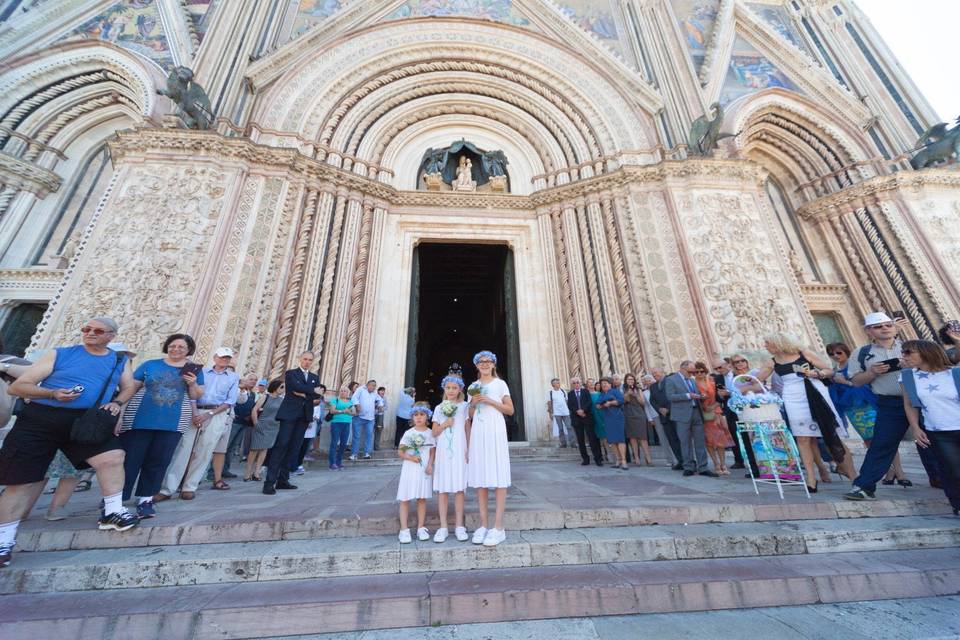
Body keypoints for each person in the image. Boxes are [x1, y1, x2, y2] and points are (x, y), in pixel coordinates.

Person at [0, 317, 139, 567]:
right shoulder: (60, 354)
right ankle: (3, 539)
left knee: (112, 457)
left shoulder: (119, 360)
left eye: (98, 331)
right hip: (41, 419)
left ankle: (113, 511)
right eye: (86, 329)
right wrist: (52, 393)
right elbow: (18, 387)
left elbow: (129, 386)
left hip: (85, 420)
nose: (90, 333)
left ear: (111, 336)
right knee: (21, 480)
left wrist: (117, 403)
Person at [844, 312, 940, 501]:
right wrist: (872, 372)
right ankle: (864, 486)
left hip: (922, 400)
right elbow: (855, 381)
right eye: (879, 326)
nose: (885, 328)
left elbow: (936, 367)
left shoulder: (912, 347)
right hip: (890, 403)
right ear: (869, 331)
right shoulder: (861, 353)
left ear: (895, 327)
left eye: (888, 324)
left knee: (935, 440)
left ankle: (941, 479)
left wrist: (912, 366)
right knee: (882, 444)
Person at [118, 334, 204, 519]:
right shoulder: (151, 364)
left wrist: (193, 383)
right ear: (167, 346)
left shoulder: (193, 370)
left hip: (172, 421)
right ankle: (116, 498)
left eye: (181, 347)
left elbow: (196, 395)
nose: (176, 349)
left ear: (189, 349)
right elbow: (131, 387)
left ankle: (145, 500)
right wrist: (119, 408)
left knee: (158, 462)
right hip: (140, 418)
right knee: (131, 460)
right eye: (173, 345)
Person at [756, 334, 856, 492]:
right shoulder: (772, 361)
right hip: (792, 396)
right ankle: (811, 478)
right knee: (803, 437)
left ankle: (853, 476)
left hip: (815, 391)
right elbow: (757, 381)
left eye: (768, 343)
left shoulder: (803, 353)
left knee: (831, 434)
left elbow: (828, 370)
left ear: (779, 343)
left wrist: (817, 374)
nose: (765, 346)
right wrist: (738, 387)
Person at [157, 347, 238, 500]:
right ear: (215, 357)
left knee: (205, 451)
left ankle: (190, 486)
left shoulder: (233, 377)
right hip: (195, 411)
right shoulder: (202, 372)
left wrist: (210, 414)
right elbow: (191, 392)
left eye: (227, 358)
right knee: (184, 449)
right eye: (221, 357)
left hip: (216, 414)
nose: (224, 360)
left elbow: (230, 401)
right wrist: (195, 412)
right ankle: (168, 488)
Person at [828, 342, 909, 486]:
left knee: (884, 438)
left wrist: (845, 382)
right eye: (832, 354)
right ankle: (888, 471)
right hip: (852, 410)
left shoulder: (854, 365)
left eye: (838, 352)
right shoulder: (835, 370)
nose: (835, 356)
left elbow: (861, 383)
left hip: (867, 405)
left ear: (846, 352)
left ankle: (899, 471)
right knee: (869, 441)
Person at [899, 340, 960, 515]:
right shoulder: (907, 376)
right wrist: (915, 428)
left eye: (909, 352)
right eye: (903, 352)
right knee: (953, 469)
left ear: (926, 352)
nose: (904, 356)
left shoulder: (954, 373)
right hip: (938, 430)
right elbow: (909, 404)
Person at [466, 350, 513, 547]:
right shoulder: (473, 386)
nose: (484, 364)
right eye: (481, 362)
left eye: (488, 361)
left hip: (495, 430)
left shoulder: (500, 384)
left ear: (494, 364)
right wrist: (474, 404)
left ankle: (498, 527)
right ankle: (484, 525)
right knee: (481, 478)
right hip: (479, 431)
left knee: (499, 476)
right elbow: (469, 415)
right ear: (476, 366)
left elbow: (510, 410)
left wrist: (491, 401)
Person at [264, 351, 322, 494]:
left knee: (294, 448)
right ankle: (269, 482)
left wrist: (306, 393)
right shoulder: (291, 373)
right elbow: (295, 387)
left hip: (304, 416)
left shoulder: (314, 377)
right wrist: (309, 392)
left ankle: (283, 480)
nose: (307, 362)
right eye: (305, 359)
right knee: (281, 445)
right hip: (289, 415)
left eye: (310, 360)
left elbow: (317, 393)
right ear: (300, 359)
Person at [431, 375, 470, 542]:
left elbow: (468, 428)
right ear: (444, 389)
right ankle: (443, 526)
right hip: (443, 452)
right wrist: (445, 424)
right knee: (443, 489)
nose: (451, 391)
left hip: (460, 448)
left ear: (460, 389)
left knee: (460, 489)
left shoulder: (464, 407)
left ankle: (460, 525)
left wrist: (469, 449)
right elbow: (434, 432)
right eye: (448, 388)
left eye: (454, 388)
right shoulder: (439, 408)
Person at [665, 360, 717, 477]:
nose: (693, 374)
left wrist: (701, 396)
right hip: (682, 415)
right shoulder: (671, 380)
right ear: (682, 369)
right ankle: (688, 466)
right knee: (685, 442)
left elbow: (696, 393)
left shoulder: (692, 381)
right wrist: (688, 396)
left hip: (696, 413)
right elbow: (670, 396)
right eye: (691, 372)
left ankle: (703, 467)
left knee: (700, 441)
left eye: (694, 372)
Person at [397, 403, 436, 543]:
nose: (419, 418)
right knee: (405, 498)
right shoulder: (409, 433)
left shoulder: (430, 433)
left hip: (423, 468)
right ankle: (404, 529)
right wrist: (411, 457)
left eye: (422, 415)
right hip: (410, 467)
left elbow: (432, 451)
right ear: (412, 417)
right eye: (416, 415)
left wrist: (430, 465)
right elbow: (401, 451)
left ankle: (421, 527)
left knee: (421, 498)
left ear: (427, 417)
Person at [695, 362, 733, 475]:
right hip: (703, 415)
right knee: (709, 442)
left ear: (705, 371)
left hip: (716, 413)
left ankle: (723, 464)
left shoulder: (712, 382)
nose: (699, 374)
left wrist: (713, 406)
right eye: (696, 372)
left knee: (720, 440)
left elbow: (719, 398)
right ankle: (716, 464)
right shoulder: (693, 384)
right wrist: (703, 406)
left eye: (701, 371)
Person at [219, 373, 258, 479]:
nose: (253, 381)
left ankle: (225, 469)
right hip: (234, 421)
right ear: (244, 380)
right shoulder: (237, 390)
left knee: (232, 447)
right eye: (251, 379)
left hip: (244, 423)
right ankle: (213, 472)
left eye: (255, 380)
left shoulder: (253, 394)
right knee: (224, 446)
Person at [246, 380, 284, 481]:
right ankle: (248, 472)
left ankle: (257, 472)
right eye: (281, 387)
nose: (283, 389)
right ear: (275, 387)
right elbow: (254, 409)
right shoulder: (265, 397)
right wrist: (256, 423)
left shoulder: (282, 400)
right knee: (254, 449)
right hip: (262, 425)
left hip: (274, 427)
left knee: (264, 449)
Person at [712, 358, 745, 470]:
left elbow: (745, 390)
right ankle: (738, 460)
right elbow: (717, 397)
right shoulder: (718, 379)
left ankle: (754, 459)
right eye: (716, 369)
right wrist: (721, 395)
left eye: (720, 367)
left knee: (747, 435)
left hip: (744, 408)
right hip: (729, 410)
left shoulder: (738, 374)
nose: (718, 370)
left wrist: (730, 393)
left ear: (727, 365)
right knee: (733, 435)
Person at [649, 368, 683, 469]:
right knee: (672, 439)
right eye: (653, 374)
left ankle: (688, 461)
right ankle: (680, 461)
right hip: (663, 416)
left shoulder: (671, 381)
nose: (655, 375)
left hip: (675, 413)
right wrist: (659, 409)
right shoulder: (653, 386)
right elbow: (652, 400)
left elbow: (675, 395)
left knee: (681, 438)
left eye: (656, 372)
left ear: (662, 372)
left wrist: (668, 408)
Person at [567, 376, 603, 466]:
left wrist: (583, 410)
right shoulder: (570, 394)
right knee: (580, 440)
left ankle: (598, 459)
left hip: (587, 417)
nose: (576, 384)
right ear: (572, 385)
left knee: (592, 439)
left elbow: (589, 402)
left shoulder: (585, 392)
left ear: (580, 383)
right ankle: (585, 459)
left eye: (577, 382)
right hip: (576, 419)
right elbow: (570, 405)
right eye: (574, 383)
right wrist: (577, 411)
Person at [596, 377, 627, 469]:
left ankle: (624, 460)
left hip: (617, 417)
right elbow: (597, 405)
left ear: (610, 384)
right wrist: (601, 405)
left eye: (606, 383)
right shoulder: (601, 394)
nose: (604, 385)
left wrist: (611, 403)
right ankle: (617, 460)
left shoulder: (615, 391)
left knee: (620, 439)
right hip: (607, 418)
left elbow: (622, 400)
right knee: (612, 440)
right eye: (603, 383)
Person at [622, 373, 652, 466]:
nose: (630, 381)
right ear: (626, 381)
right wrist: (628, 394)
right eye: (628, 379)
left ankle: (648, 458)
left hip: (639, 414)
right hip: (629, 414)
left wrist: (635, 395)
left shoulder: (638, 389)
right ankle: (637, 458)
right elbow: (624, 401)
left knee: (643, 437)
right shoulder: (623, 390)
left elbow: (643, 402)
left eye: (632, 379)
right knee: (632, 438)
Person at [349, 379, 378, 461]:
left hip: (370, 418)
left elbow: (379, 400)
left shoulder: (375, 393)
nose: (373, 387)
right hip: (359, 417)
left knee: (369, 436)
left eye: (374, 385)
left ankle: (367, 453)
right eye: (372, 385)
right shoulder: (361, 389)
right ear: (367, 385)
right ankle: (354, 454)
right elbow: (354, 398)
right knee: (356, 436)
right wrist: (357, 404)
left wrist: (380, 405)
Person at [327, 385, 354, 470]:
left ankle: (339, 462)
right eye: (342, 390)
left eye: (345, 391)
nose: (343, 392)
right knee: (334, 443)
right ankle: (332, 463)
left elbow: (353, 413)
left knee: (343, 444)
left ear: (348, 393)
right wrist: (343, 411)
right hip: (336, 423)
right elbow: (332, 410)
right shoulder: (335, 400)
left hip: (347, 423)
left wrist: (350, 412)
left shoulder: (350, 402)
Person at [588, 378, 610, 462]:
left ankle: (608, 454)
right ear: (587, 385)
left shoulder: (600, 394)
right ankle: (599, 455)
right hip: (592, 417)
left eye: (592, 383)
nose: (591, 384)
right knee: (595, 437)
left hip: (601, 415)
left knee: (604, 436)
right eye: (589, 383)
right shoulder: (586, 395)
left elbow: (605, 403)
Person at [547, 378, 572, 448]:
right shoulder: (551, 393)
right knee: (560, 429)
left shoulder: (563, 391)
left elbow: (566, 401)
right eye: (557, 382)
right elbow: (549, 403)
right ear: (553, 384)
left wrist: (568, 410)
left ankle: (573, 443)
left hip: (566, 412)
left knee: (569, 427)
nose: (558, 383)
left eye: (558, 382)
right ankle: (563, 443)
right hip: (557, 413)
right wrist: (550, 413)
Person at [373, 386, 386, 451]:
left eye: (384, 391)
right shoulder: (375, 397)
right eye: (381, 391)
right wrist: (376, 407)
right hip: (374, 416)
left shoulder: (384, 399)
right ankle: (369, 445)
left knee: (379, 430)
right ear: (378, 391)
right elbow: (371, 405)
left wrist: (383, 408)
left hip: (380, 416)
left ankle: (376, 446)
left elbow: (386, 407)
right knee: (371, 430)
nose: (383, 392)